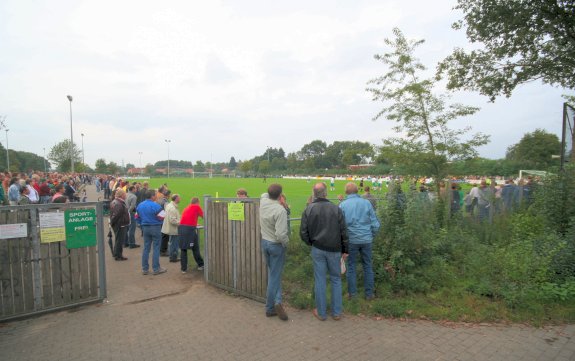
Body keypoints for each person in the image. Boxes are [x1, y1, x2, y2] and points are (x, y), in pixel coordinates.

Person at [300, 182, 348, 321]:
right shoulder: (336, 208)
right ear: (325, 193)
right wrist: (345, 250)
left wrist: (311, 243)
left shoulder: (309, 209)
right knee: (335, 280)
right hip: (333, 249)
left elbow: (303, 233)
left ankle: (322, 313)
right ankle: (336, 312)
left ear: (314, 194)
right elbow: (344, 232)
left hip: (319, 249)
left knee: (321, 280)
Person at [339, 182, 380, 300]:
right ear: (357, 191)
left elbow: (340, 226)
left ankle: (353, 294)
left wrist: (342, 241)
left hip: (351, 240)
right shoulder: (366, 203)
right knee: (367, 265)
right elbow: (375, 223)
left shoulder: (343, 205)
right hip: (366, 239)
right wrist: (371, 235)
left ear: (346, 192)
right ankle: (369, 294)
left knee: (351, 266)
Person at [259, 183, 289, 321]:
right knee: (275, 278)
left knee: (273, 274)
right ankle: (270, 308)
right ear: (280, 196)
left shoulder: (263, 201)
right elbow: (281, 234)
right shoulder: (280, 210)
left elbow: (264, 194)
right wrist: (286, 244)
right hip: (276, 246)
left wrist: (277, 197)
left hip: (264, 242)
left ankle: (278, 301)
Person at [136, 189, 167, 275]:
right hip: (155, 227)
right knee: (156, 248)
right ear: (152, 196)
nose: (156, 196)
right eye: (155, 195)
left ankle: (145, 269)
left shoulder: (140, 205)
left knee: (146, 248)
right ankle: (156, 268)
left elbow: (137, 217)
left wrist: (141, 223)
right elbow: (162, 217)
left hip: (145, 227)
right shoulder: (155, 205)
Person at [179, 197, 204, 273]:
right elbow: (204, 216)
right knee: (195, 247)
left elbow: (187, 218)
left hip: (182, 228)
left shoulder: (187, 208)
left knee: (183, 248)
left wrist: (195, 223)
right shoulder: (196, 207)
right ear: (197, 202)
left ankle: (183, 269)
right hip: (190, 230)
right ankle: (201, 265)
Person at [109, 189, 129, 261]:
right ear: (122, 195)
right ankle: (118, 256)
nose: (126, 195)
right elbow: (115, 215)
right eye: (125, 194)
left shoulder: (116, 202)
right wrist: (112, 223)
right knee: (119, 241)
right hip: (120, 225)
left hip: (119, 224)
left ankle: (117, 254)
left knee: (118, 240)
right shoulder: (119, 203)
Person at [162, 193, 181, 263]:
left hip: (170, 228)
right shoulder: (172, 208)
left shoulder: (169, 205)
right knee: (174, 243)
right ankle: (173, 257)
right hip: (173, 228)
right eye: (179, 198)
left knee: (172, 242)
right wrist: (180, 223)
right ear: (176, 199)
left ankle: (173, 256)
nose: (180, 199)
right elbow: (173, 220)